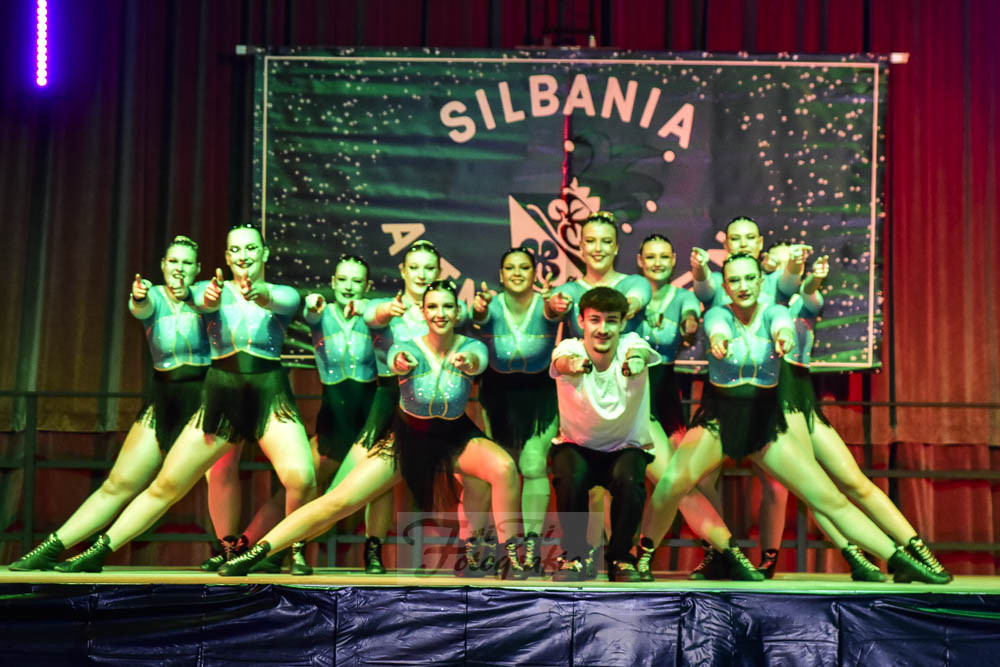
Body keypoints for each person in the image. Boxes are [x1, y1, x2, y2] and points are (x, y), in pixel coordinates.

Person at [638, 254, 951, 585]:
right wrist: (718, 340)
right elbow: (717, 328)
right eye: (734, 280)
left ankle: (898, 559)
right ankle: (641, 557)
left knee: (828, 498)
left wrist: (784, 336)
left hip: (765, 423)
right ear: (725, 287)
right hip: (720, 421)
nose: (743, 286)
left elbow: (782, 325)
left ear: (761, 282)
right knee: (671, 485)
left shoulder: (775, 312)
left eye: (749, 278)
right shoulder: (719, 314)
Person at [52, 224, 318, 574]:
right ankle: (99, 551)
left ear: (265, 253)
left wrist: (260, 293)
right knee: (166, 485)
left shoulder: (285, 294)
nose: (244, 255)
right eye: (235, 249)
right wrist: (156, 297)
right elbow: (178, 297)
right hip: (221, 397)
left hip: (269, 394)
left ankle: (293, 549)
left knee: (302, 478)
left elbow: (277, 299)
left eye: (251, 248)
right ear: (226, 257)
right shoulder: (210, 290)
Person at [219, 280, 527, 579]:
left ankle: (510, 557)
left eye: (447, 307)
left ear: (458, 312)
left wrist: (468, 362)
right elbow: (394, 357)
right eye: (433, 307)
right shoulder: (407, 347)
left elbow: (478, 361)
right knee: (337, 502)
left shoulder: (471, 346)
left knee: (503, 468)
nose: (440, 313)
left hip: (455, 438)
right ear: (422, 311)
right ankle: (258, 552)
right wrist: (401, 363)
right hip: (407, 440)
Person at [9, 237, 210, 570]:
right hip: (164, 401)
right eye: (173, 261)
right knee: (118, 483)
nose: (179, 269)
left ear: (197, 268)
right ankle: (51, 547)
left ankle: (239, 551)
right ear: (163, 265)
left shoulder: (205, 295)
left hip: (206, 404)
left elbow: (207, 300)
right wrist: (139, 296)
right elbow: (140, 307)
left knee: (208, 483)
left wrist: (192, 294)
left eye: (187, 263)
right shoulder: (154, 296)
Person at [763, 242, 951, 581]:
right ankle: (857, 557)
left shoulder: (805, 299)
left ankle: (918, 550)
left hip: (804, 398)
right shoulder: (761, 308)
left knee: (856, 482)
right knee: (816, 489)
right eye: (779, 263)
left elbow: (809, 289)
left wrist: (811, 276)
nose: (787, 268)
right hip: (779, 399)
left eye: (793, 262)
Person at [688, 217, 807, 576]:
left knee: (776, 479)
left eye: (749, 237)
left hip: (771, 387)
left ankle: (769, 557)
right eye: (735, 238)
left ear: (760, 242)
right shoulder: (720, 285)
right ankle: (720, 550)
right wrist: (699, 269)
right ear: (725, 245)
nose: (742, 243)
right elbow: (704, 290)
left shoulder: (772, 284)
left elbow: (791, 283)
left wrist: (796, 264)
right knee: (702, 476)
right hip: (724, 388)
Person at [634, 234, 748, 581]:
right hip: (629, 393)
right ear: (639, 260)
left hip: (665, 396)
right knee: (619, 483)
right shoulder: (629, 290)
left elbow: (689, 320)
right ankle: (606, 556)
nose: (657, 263)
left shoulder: (683, 296)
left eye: (664, 256)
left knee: (682, 481)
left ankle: (719, 552)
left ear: (674, 260)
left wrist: (689, 325)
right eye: (650, 256)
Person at [550, 287, 674, 582]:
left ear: (622, 323)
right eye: (595, 320)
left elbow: (639, 353)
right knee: (569, 472)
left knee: (630, 476)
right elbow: (562, 362)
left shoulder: (632, 343)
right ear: (581, 321)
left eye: (611, 320)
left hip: (624, 448)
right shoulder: (569, 348)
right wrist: (575, 365)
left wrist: (635, 362)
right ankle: (574, 557)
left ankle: (621, 557)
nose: (603, 329)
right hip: (577, 447)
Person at [471, 247, 571, 575]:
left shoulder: (547, 302)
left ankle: (532, 546)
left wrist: (557, 307)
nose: (517, 273)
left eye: (524, 267)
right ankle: (498, 544)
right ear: (500, 275)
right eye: (510, 267)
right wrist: (478, 310)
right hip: (497, 396)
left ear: (534, 273)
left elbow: (556, 311)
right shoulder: (490, 305)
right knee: (500, 471)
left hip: (540, 394)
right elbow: (478, 318)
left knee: (532, 464)